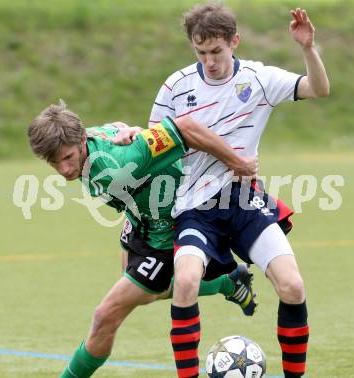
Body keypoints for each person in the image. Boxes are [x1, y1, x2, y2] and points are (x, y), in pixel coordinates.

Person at [149, 4, 330, 378]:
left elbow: (318, 89)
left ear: (234, 41)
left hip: (245, 201)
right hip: (195, 208)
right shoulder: (176, 86)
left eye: (217, 51)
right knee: (185, 283)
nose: (210, 61)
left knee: (293, 286)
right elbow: (155, 144)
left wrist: (308, 48)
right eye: (201, 53)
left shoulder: (258, 79)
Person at [27, 101, 260, 378]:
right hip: (139, 221)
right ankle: (227, 281)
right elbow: (113, 128)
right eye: (55, 163)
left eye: (68, 158)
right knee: (146, 292)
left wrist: (237, 163)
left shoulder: (126, 160)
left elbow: (183, 129)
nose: (64, 170)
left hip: (168, 229)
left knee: (106, 315)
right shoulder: (85, 136)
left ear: (80, 141)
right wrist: (126, 128)